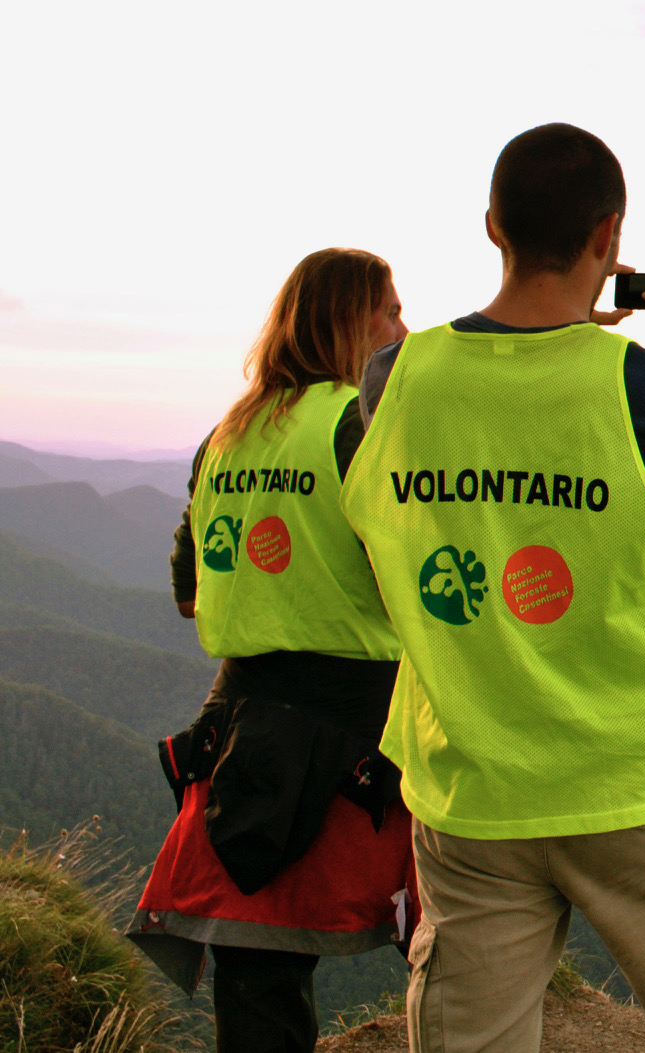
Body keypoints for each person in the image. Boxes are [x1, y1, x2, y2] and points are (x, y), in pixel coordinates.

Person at [340, 123, 645, 1053]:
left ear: (493, 226)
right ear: (609, 237)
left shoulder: (392, 380)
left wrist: (555, 348)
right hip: (640, 792)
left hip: (471, 791)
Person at [128, 248, 419, 1053]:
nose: (404, 327)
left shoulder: (227, 433)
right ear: (347, 320)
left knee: (255, 955)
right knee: (445, 921)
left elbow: (191, 593)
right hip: (368, 715)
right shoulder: (360, 424)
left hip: (242, 721)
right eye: (389, 311)